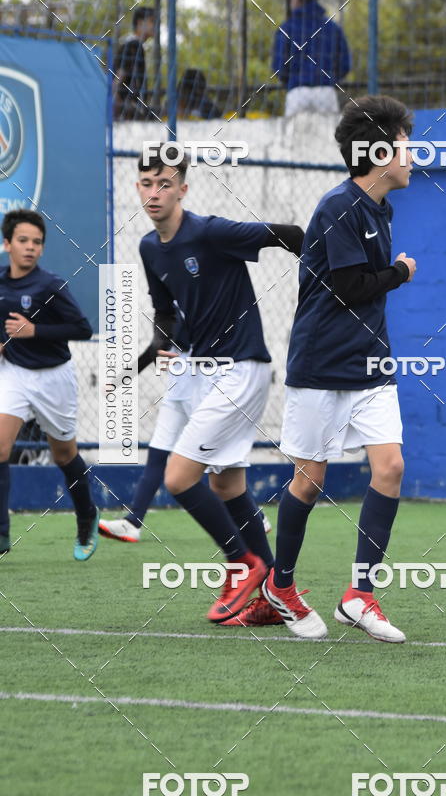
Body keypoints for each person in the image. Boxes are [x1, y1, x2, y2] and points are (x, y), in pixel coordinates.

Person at [262, 96, 417, 642]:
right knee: (310, 481)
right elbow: (351, 290)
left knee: (391, 467)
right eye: (403, 143)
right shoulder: (337, 208)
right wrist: (400, 272)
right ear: (378, 152)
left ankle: (360, 594)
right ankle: (280, 586)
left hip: (371, 364)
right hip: (322, 364)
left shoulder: (382, 209)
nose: (411, 152)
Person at [132, 145, 304, 625]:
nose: (154, 192)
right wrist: (164, 343)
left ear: (183, 189)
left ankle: (241, 562)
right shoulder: (150, 247)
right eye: (146, 183)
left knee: (178, 478)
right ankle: (272, 589)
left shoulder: (210, 232)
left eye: (165, 183)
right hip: (205, 372)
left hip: (241, 368)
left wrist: (328, 276)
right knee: (226, 483)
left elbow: (286, 235)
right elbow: (165, 310)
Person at [98, 315, 272, 544]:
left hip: (203, 391)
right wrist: (121, 379)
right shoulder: (168, 304)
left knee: (219, 465)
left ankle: (256, 518)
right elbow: (156, 348)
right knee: (157, 456)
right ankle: (132, 523)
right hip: (175, 394)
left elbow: (181, 339)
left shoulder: (196, 300)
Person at [0, 210, 98, 560]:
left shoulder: (50, 285)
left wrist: (34, 331)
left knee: (63, 454)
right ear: (7, 243)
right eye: (23, 241)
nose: (30, 248)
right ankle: (1, 535)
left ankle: (86, 513)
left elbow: (82, 329)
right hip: (14, 375)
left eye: (37, 242)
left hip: (54, 377)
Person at [272, 0, 350, 118]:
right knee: (328, 137)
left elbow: (279, 67)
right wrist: (330, 79)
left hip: (297, 91)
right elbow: (345, 65)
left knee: (294, 138)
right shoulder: (333, 28)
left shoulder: (286, 28)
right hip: (326, 91)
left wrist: (291, 81)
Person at [113, 6, 155, 121]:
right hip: (127, 111)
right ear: (140, 23)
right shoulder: (134, 45)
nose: (155, 26)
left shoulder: (133, 44)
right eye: (152, 21)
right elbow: (119, 75)